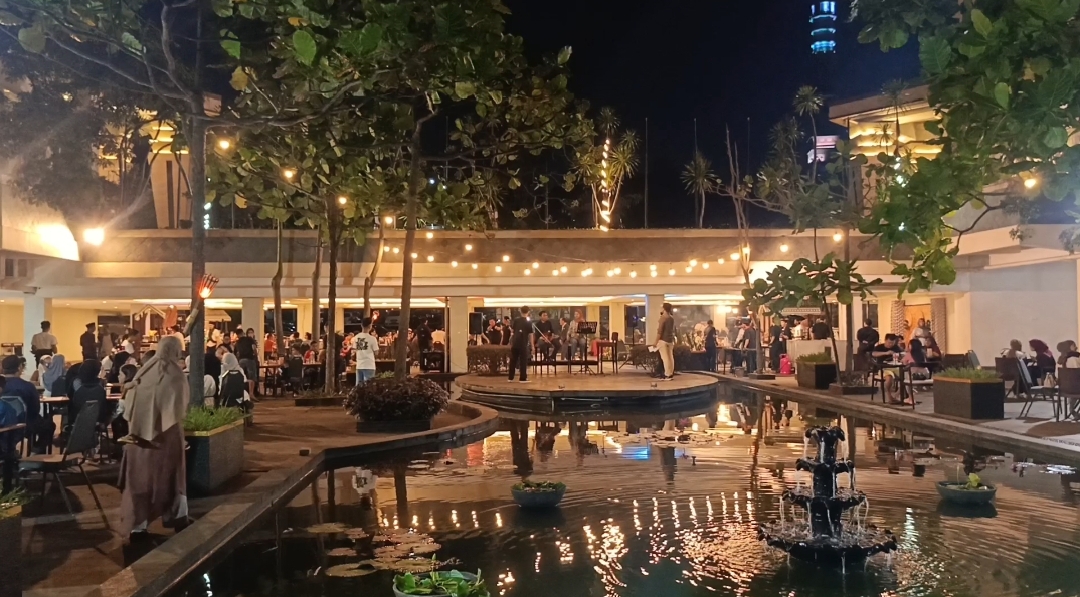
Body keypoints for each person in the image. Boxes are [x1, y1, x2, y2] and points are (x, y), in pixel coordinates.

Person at [118, 336, 189, 538]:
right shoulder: (175, 374)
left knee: (140, 482)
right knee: (173, 478)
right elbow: (178, 407)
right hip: (166, 437)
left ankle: (138, 524)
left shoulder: (145, 370)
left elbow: (130, 399)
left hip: (138, 437)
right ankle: (177, 516)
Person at [2, 355, 54, 453]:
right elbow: (35, 409)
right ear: (19, 367)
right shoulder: (28, 386)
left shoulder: (2, 386)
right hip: (26, 424)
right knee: (49, 426)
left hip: (3, 424)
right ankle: (38, 451)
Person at [70, 359, 108, 427]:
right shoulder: (100, 384)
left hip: (77, 417)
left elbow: (70, 396)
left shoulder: (76, 381)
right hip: (98, 419)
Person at [871, 334, 905, 404]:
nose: (890, 344)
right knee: (889, 378)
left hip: (895, 366)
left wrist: (899, 356)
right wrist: (886, 353)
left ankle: (897, 395)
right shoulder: (879, 347)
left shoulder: (895, 347)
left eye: (892, 343)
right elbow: (874, 354)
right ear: (885, 340)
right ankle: (889, 396)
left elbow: (900, 355)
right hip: (883, 368)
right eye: (889, 342)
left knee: (905, 378)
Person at [507, 306, 534, 383]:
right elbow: (531, 334)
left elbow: (512, 331)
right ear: (528, 312)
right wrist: (532, 346)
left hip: (515, 342)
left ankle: (510, 377)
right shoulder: (528, 322)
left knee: (513, 360)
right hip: (523, 343)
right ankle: (523, 378)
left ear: (520, 311)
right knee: (523, 360)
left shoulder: (516, 320)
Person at [353, 318, 379, 384]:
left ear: (361, 325)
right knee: (369, 387)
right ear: (370, 326)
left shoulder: (356, 337)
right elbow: (376, 352)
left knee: (359, 387)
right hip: (369, 365)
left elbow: (354, 350)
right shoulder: (372, 339)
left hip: (359, 365)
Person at [234, 329, 259, 397]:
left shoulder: (237, 342)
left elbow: (237, 353)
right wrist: (255, 356)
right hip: (250, 359)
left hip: (241, 360)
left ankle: (241, 393)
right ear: (243, 333)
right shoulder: (249, 339)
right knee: (252, 377)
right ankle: (251, 393)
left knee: (241, 376)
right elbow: (254, 348)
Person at [654, 302, 676, 381]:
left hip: (663, 340)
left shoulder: (663, 318)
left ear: (664, 308)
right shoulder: (671, 318)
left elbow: (660, 331)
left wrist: (655, 343)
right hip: (670, 340)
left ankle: (667, 374)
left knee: (665, 358)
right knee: (670, 357)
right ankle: (670, 373)